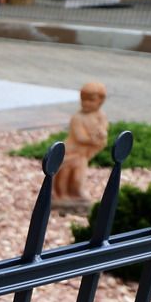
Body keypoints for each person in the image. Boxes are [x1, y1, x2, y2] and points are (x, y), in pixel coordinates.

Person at [53, 81, 109, 211]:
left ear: (100, 101)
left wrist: (102, 133)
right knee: (65, 173)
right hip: (71, 152)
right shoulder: (77, 118)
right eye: (83, 100)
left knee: (78, 177)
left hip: (82, 155)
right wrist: (93, 140)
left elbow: (103, 127)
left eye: (91, 100)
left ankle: (76, 193)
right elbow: (80, 137)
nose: (86, 103)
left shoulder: (100, 115)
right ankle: (62, 194)